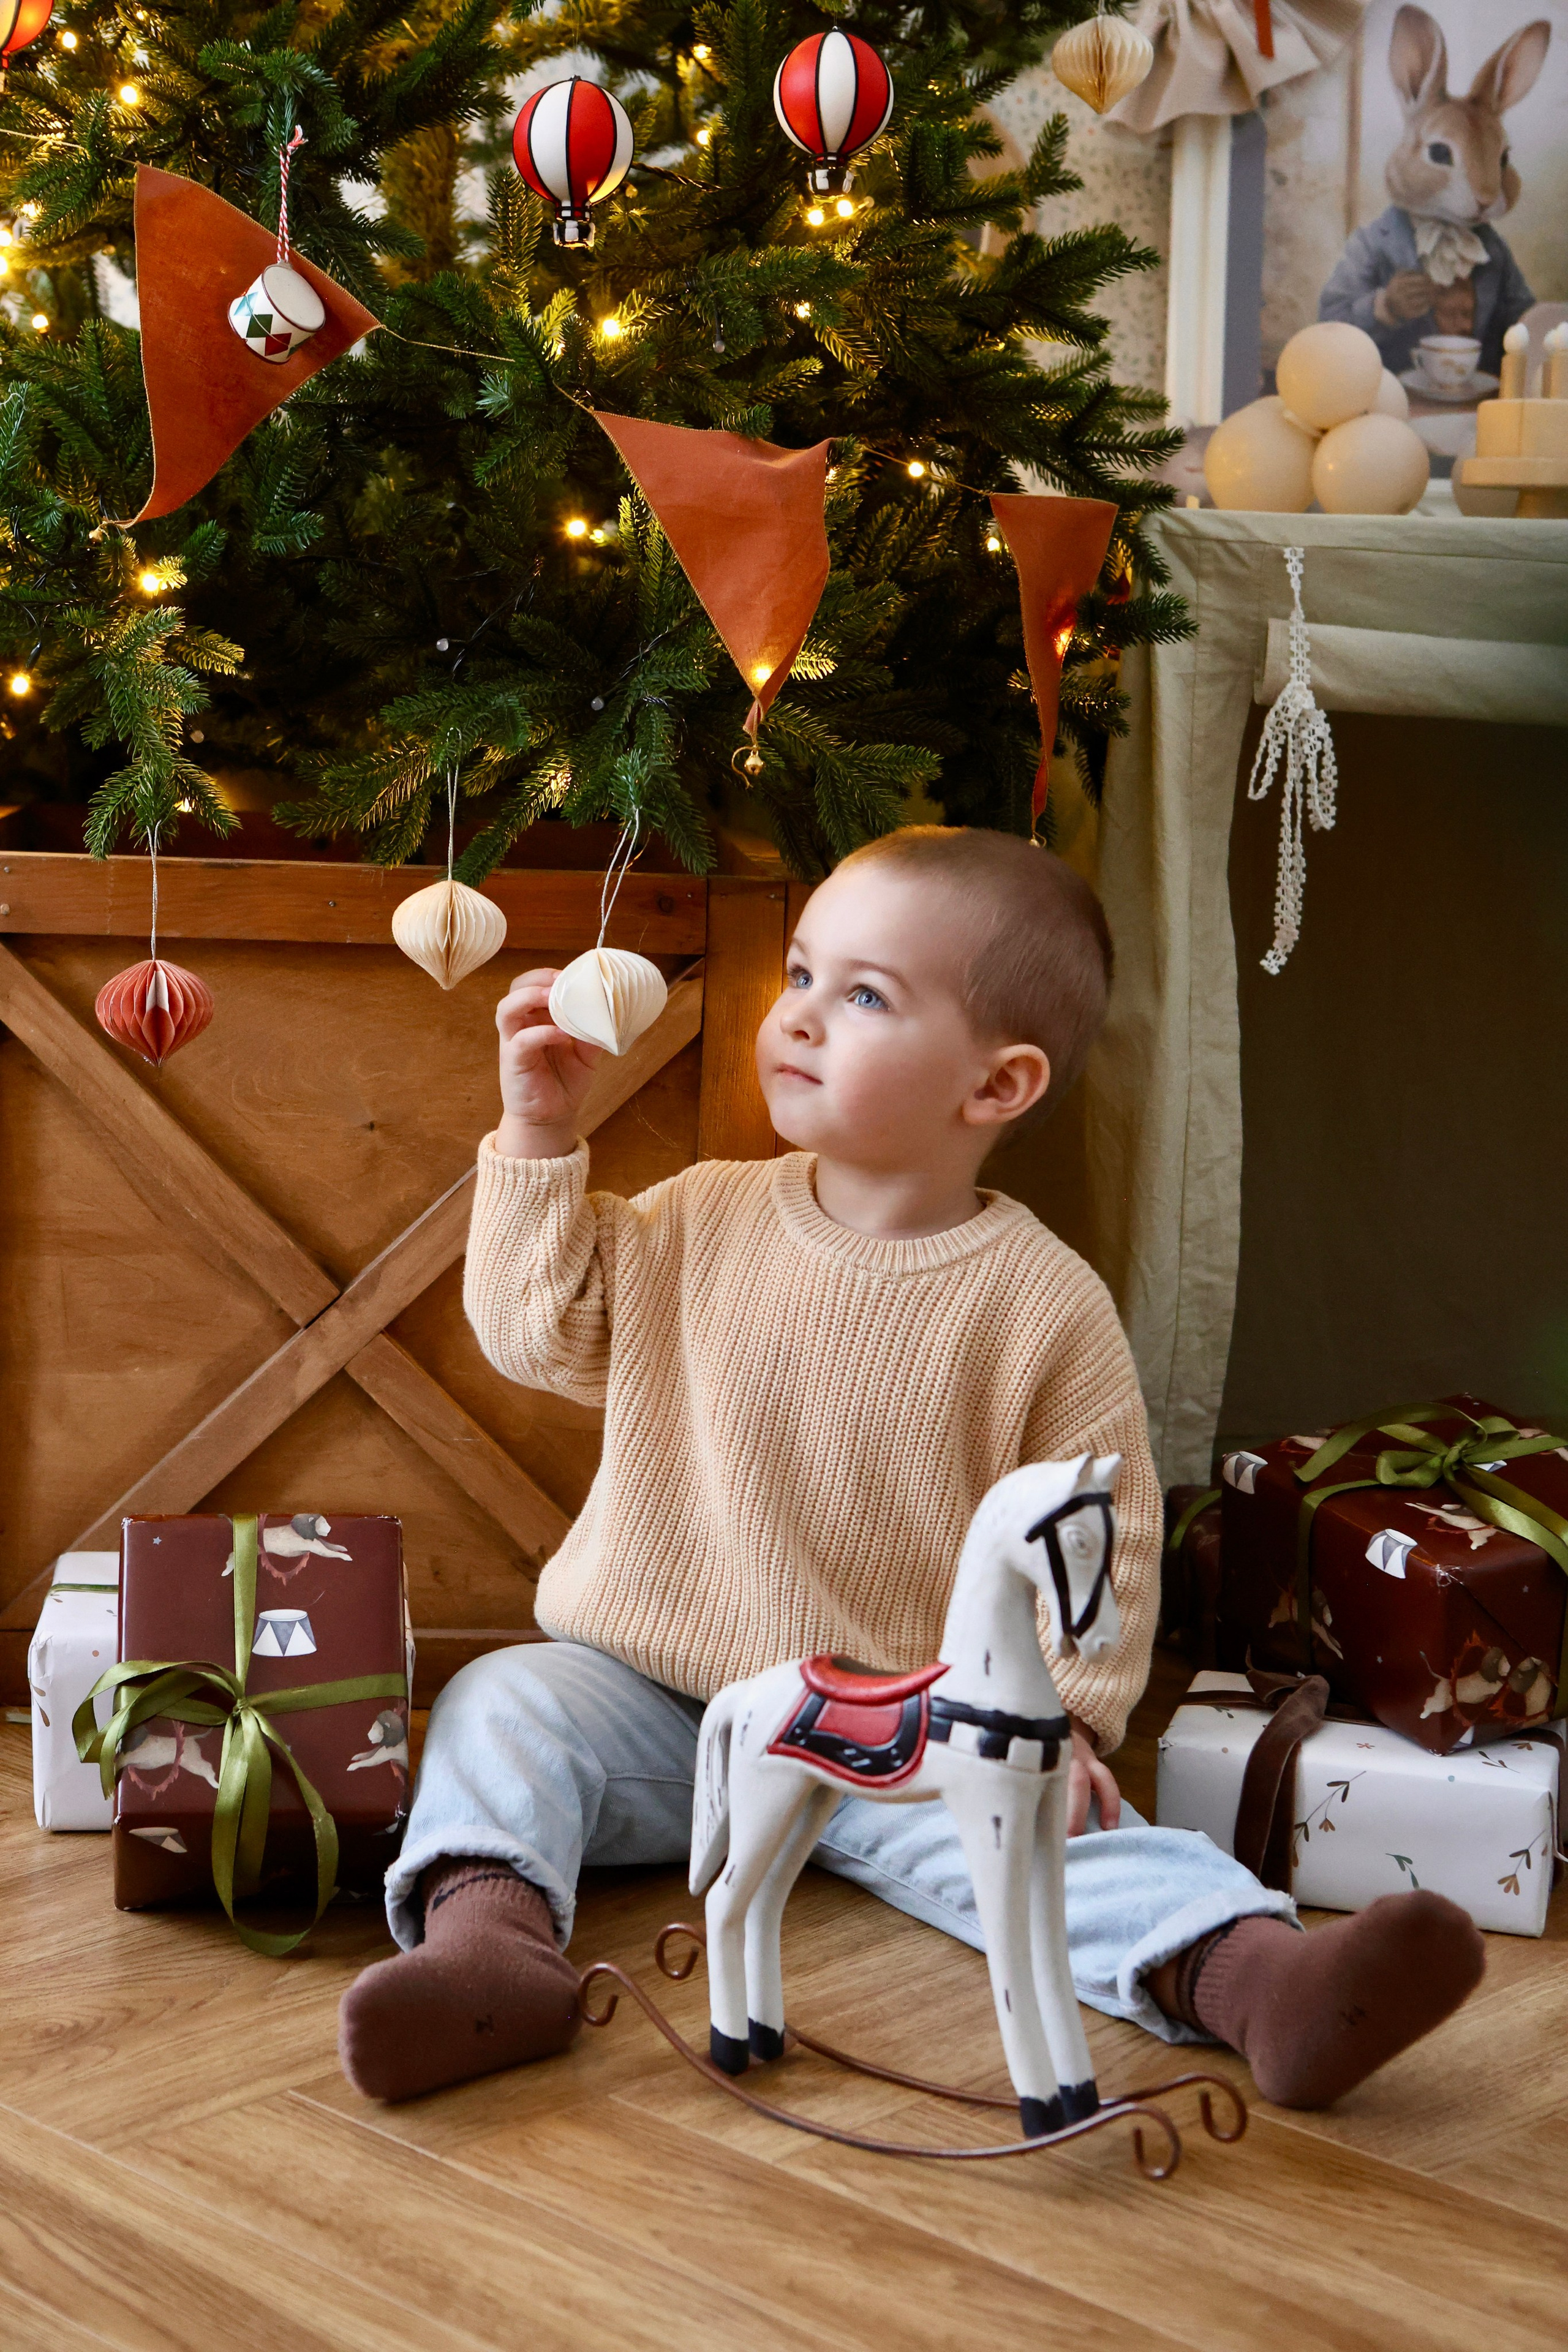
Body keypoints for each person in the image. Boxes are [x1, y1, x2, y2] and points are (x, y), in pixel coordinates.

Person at [339, 827, 1483, 2108]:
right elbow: (533, 1331)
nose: (802, 1019)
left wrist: (1065, 1721)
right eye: (802, 975)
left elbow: (1102, 1537)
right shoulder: (697, 1217)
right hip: (654, 1703)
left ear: (994, 1087)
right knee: (504, 1705)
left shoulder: (1040, 1305)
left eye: (864, 995)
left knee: (1074, 1845)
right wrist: (537, 1130)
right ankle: (486, 1951)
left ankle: (1262, 1984)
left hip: (910, 1729)